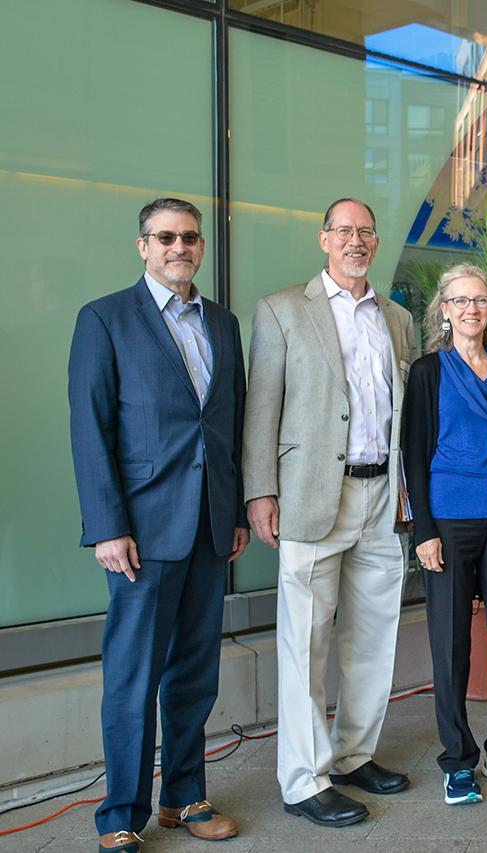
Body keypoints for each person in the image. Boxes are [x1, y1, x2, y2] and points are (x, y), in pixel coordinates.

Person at [68, 198, 247, 853]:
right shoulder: (106, 319)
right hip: (140, 532)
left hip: (207, 526)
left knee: (195, 671)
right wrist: (107, 526)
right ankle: (120, 810)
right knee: (133, 676)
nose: (180, 246)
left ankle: (184, 795)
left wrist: (231, 514)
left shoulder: (222, 323)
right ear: (143, 245)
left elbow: (230, 424)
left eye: (190, 237)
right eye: (166, 236)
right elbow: (92, 431)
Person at [242, 198, 416, 828]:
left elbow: (404, 414)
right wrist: (260, 492)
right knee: (305, 642)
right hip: (313, 495)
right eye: (343, 231)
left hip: (379, 497)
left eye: (365, 232)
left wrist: (406, 489)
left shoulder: (397, 318)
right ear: (323, 239)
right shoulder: (283, 309)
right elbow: (261, 408)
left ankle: (353, 755)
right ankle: (303, 778)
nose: (355, 241)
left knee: (373, 636)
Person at [400, 263, 487, 806]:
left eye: (480, 300)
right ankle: (457, 761)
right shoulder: (428, 371)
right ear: (444, 310)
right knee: (451, 642)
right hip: (448, 519)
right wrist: (423, 532)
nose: (472, 309)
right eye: (460, 300)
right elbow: (413, 452)